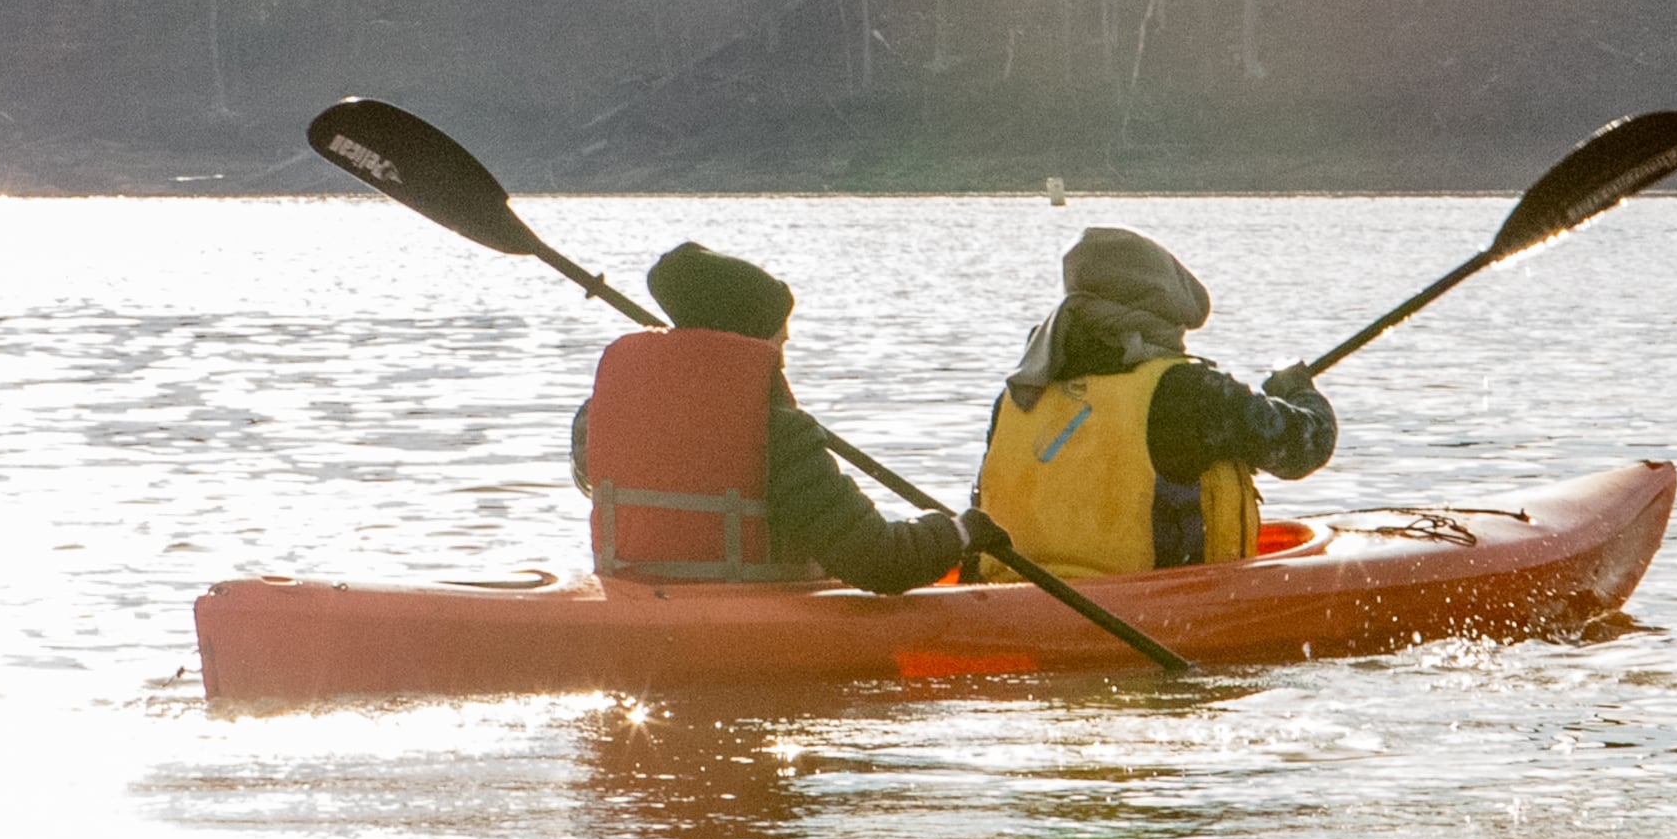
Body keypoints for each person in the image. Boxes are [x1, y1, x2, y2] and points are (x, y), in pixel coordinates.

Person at [572, 242, 975, 595]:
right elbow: (880, 563)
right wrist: (961, 532)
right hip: (743, 617)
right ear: (752, 338)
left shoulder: (598, 414)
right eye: (779, 336)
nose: (784, 347)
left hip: (636, 597)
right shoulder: (777, 432)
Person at [970, 226, 1335, 580]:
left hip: (1017, 605)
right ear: (1166, 313)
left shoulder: (1019, 393)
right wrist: (1297, 388)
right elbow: (1307, 444)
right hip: (1148, 614)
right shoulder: (1187, 391)